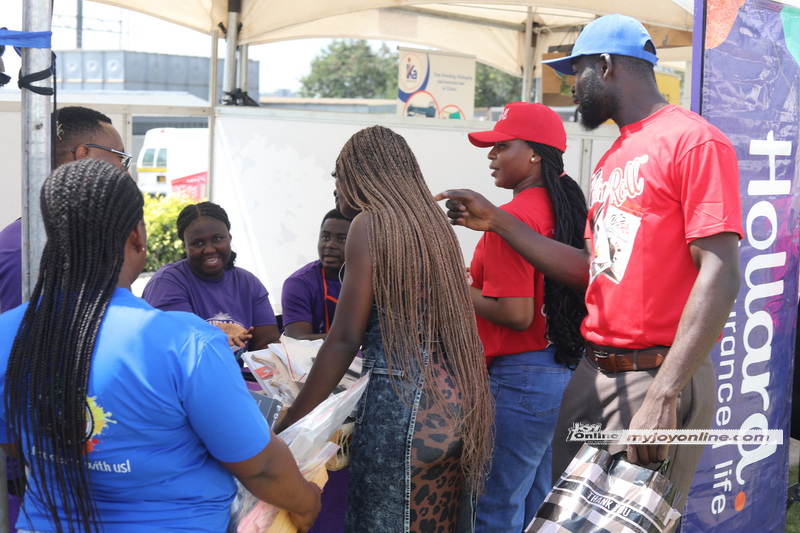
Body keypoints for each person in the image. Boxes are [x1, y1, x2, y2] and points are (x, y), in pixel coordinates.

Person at [437, 13, 742, 516]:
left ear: (605, 65)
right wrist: (497, 222)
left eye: (574, 72)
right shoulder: (611, 159)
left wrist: (664, 395)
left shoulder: (694, 141)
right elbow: (591, 269)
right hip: (592, 370)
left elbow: (721, 271)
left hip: (656, 375)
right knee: (563, 518)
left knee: (629, 523)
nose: (569, 89)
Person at [0, 159, 321, 532]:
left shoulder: (8, 332)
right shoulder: (186, 342)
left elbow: (15, 445)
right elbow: (260, 466)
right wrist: (308, 502)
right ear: (138, 235)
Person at [275, 125, 494, 533]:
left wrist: (288, 427)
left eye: (337, 176)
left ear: (360, 175)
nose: (335, 189)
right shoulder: (433, 227)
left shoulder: (370, 225)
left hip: (402, 408)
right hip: (454, 404)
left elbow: (342, 341)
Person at [464, 102, 587, 532]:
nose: (491, 155)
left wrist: (456, 289)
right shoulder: (564, 206)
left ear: (535, 153)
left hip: (521, 379)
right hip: (560, 370)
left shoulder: (508, 219)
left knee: (494, 508)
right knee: (539, 504)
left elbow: (516, 314)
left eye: (501, 146)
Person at [0, 106, 131, 315]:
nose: (123, 171)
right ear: (84, 155)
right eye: (119, 157)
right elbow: (16, 342)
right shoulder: (26, 251)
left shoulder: (84, 240)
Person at [142, 201, 281, 353]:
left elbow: (267, 344)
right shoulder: (167, 282)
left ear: (229, 237)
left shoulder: (248, 283)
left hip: (234, 376)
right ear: (185, 246)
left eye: (217, 239)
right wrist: (214, 332)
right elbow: (178, 343)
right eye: (198, 243)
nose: (209, 249)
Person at [282, 209, 352, 340]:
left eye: (342, 239)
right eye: (325, 237)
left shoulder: (374, 279)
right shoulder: (298, 283)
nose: (330, 245)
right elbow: (298, 339)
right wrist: (352, 340)